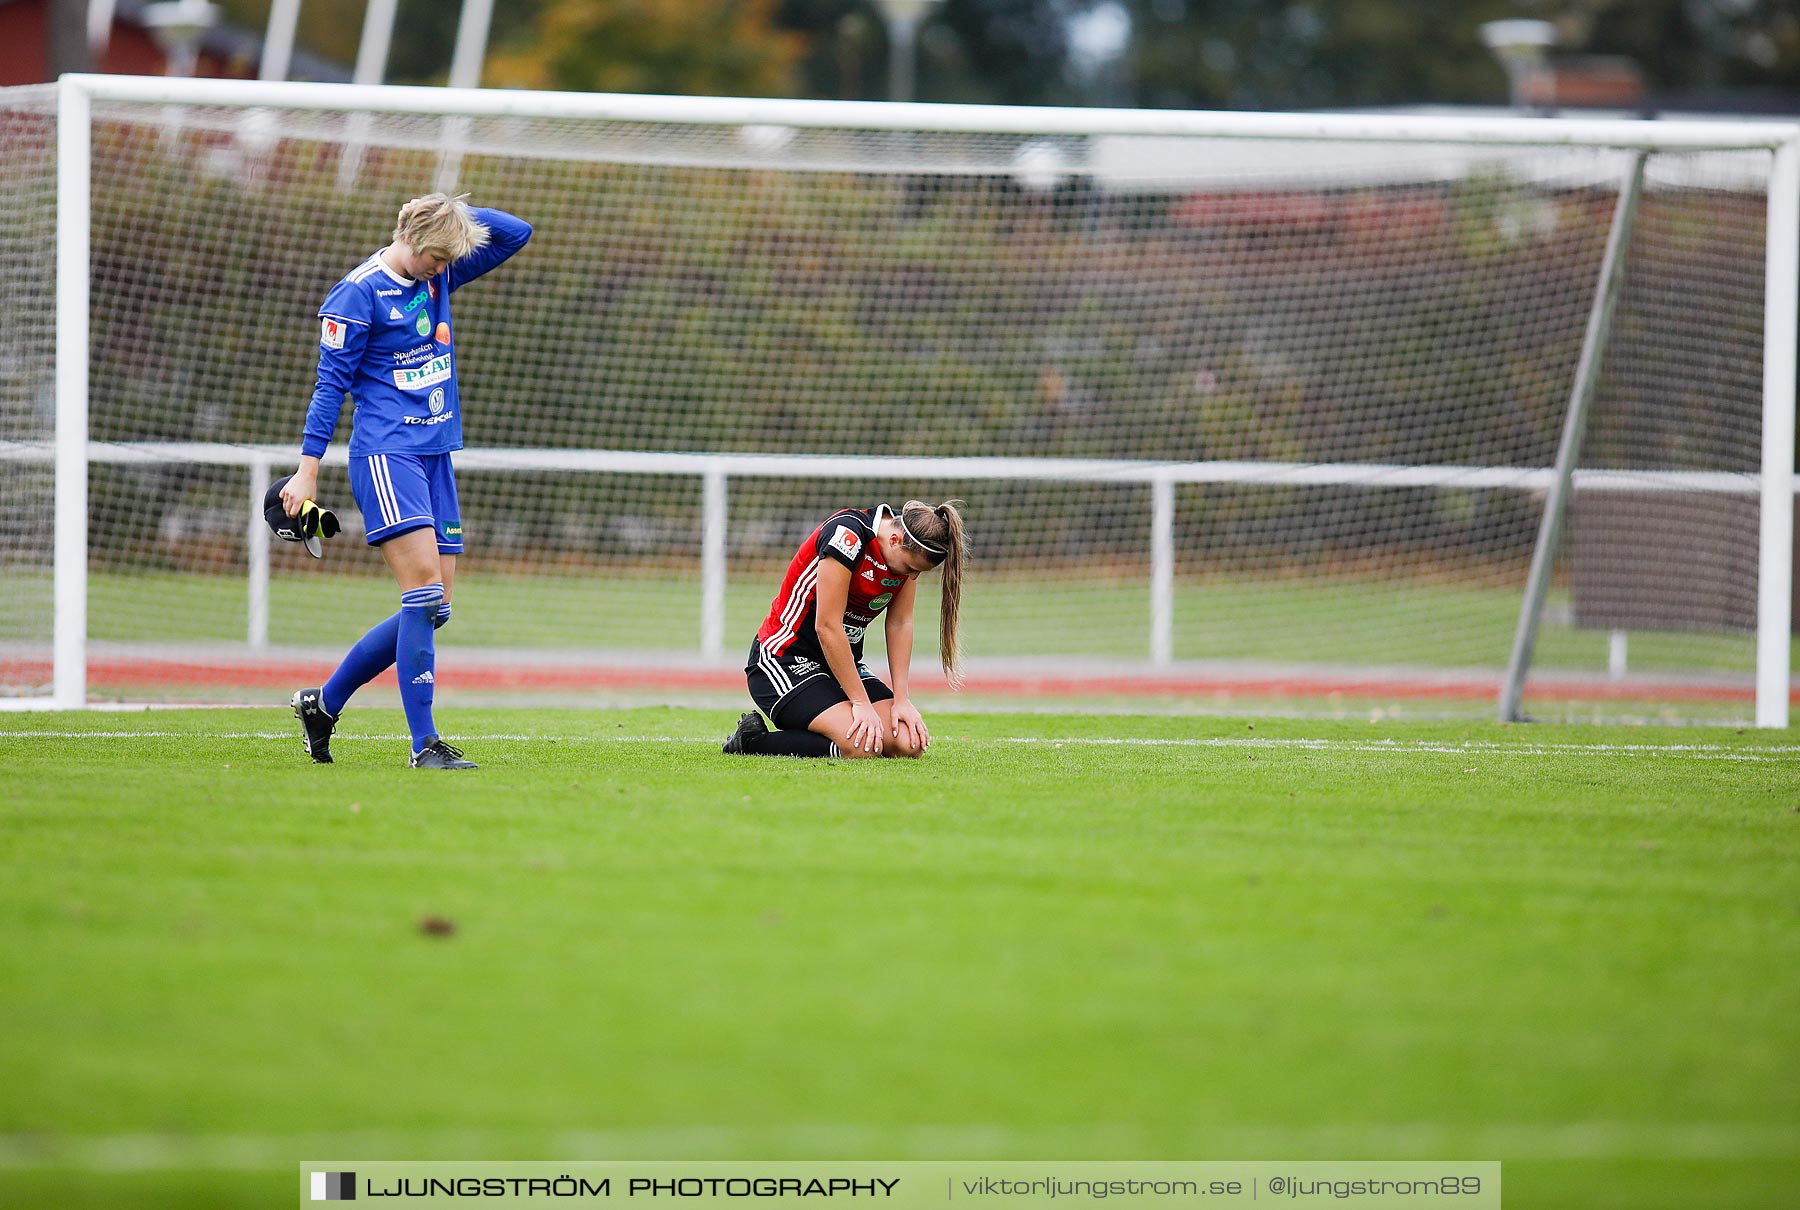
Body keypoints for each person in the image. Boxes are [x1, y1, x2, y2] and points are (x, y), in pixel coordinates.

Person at [283, 193, 532, 769]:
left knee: (436, 606)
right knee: (420, 594)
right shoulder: (357, 293)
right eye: (438, 259)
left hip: (437, 453)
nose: (444, 272)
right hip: (388, 453)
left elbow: (516, 231)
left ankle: (323, 705)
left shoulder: (435, 269)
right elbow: (329, 387)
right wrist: (307, 469)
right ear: (414, 243)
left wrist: (446, 204)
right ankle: (426, 746)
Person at [723, 500, 967, 759]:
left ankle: (833, 722)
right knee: (860, 746)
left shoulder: (910, 538)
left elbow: (900, 623)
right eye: (910, 568)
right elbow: (827, 627)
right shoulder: (847, 536)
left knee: (908, 744)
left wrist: (901, 700)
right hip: (783, 661)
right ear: (894, 539)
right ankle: (752, 741)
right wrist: (861, 703)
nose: (912, 577)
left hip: (839, 666)